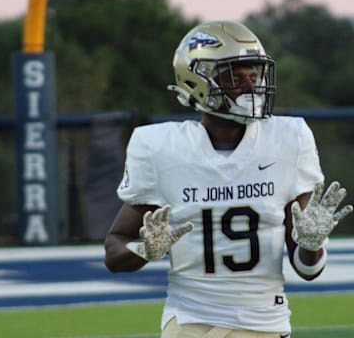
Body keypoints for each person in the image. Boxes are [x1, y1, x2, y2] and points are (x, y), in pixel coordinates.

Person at [104, 21, 353, 338]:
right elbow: (114, 251)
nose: (251, 87)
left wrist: (311, 246)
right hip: (188, 322)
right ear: (197, 81)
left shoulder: (289, 139)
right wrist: (144, 250)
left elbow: (308, 270)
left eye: (255, 76)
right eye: (236, 78)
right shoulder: (160, 148)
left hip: (263, 324)